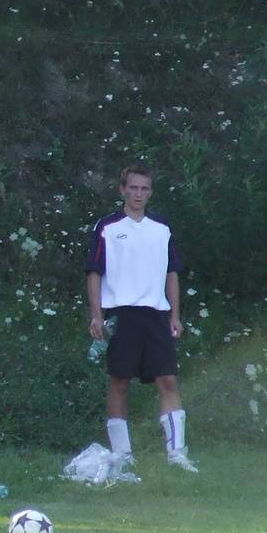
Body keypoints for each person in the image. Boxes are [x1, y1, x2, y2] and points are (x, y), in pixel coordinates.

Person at [85, 164, 197, 472]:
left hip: (156, 312)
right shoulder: (107, 227)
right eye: (133, 188)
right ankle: (122, 453)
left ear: (150, 192)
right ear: (123, 190)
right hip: (121, 312)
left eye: (144, 189)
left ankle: (177, 453)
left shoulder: (161, 227)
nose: (138, 194)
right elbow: (94, 272)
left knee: (168, 379)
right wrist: (96, 315)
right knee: (120, 380)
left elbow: (172, 271)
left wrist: (175, 314)